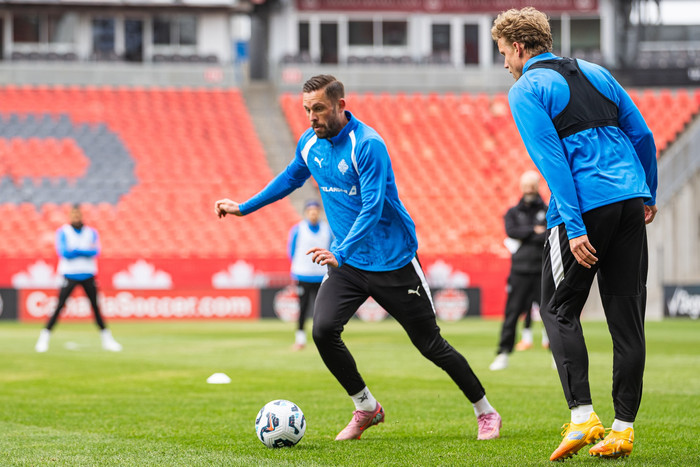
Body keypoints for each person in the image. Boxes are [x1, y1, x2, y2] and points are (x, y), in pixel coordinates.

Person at [215, 74, 501, 441]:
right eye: (307, 110)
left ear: (340, 105)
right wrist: (243, 207)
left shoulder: (367, 145)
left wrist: (339, 250)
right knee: (322, 330)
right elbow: (289, 179)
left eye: (319, 109)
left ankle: (485, 411)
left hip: (392, 261)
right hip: (349, 265)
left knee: (430, 345)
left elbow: (372, 207)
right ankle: (366, 407)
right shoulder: (309, 143)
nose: (312, 117)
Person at [492, 7, 658, 461]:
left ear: (519, 48)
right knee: (628, 318)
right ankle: (622, 430)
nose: (504, 63)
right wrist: (648, 192)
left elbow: (552, 161)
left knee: (557, 308)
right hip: (630, 199)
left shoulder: (527, 88)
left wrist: (575, 226)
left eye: (503, 53)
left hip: (584, 207)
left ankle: (583, 417)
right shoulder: (597, 72)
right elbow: (643, 135)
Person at [34, 204, 122, 353]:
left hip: (88, 274)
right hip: (70, 274)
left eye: (78, 215)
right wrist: (83, 251)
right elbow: (64, 253)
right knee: (59, 306)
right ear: (70, 216)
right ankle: (44, 337)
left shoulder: (91, 232)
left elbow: (95, 251)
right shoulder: (63, 232)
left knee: (95, 307)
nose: (76, 217)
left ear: (81, 215)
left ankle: (107, 339)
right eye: (74, 215)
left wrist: (75, 250)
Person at [490, 170, 548, 371]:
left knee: (550, 313)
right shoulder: (513, 212)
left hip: (542, 270)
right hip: (520, 271)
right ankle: (503, 353)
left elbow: (548, 234)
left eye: (532, 186)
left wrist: (526, 234)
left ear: (537, 186)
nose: (529, 190)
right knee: (512, 313)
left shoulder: (548, 210)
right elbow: (511, 231)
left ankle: (557, 356)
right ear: (521, 188)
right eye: (526, 186)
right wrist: (533, 230)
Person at [288, 199, 333, 350]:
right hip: (303, 275)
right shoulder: (298, 230)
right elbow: (291, 251)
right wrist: (297, 268)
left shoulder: (327, 230)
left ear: (319, 212)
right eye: (310, 211)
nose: (313, 214)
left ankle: (323, 338)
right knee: (303, 307)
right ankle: (300, 338)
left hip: (321, 275)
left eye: (315, 211)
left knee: (322, 309)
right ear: (306, 213)